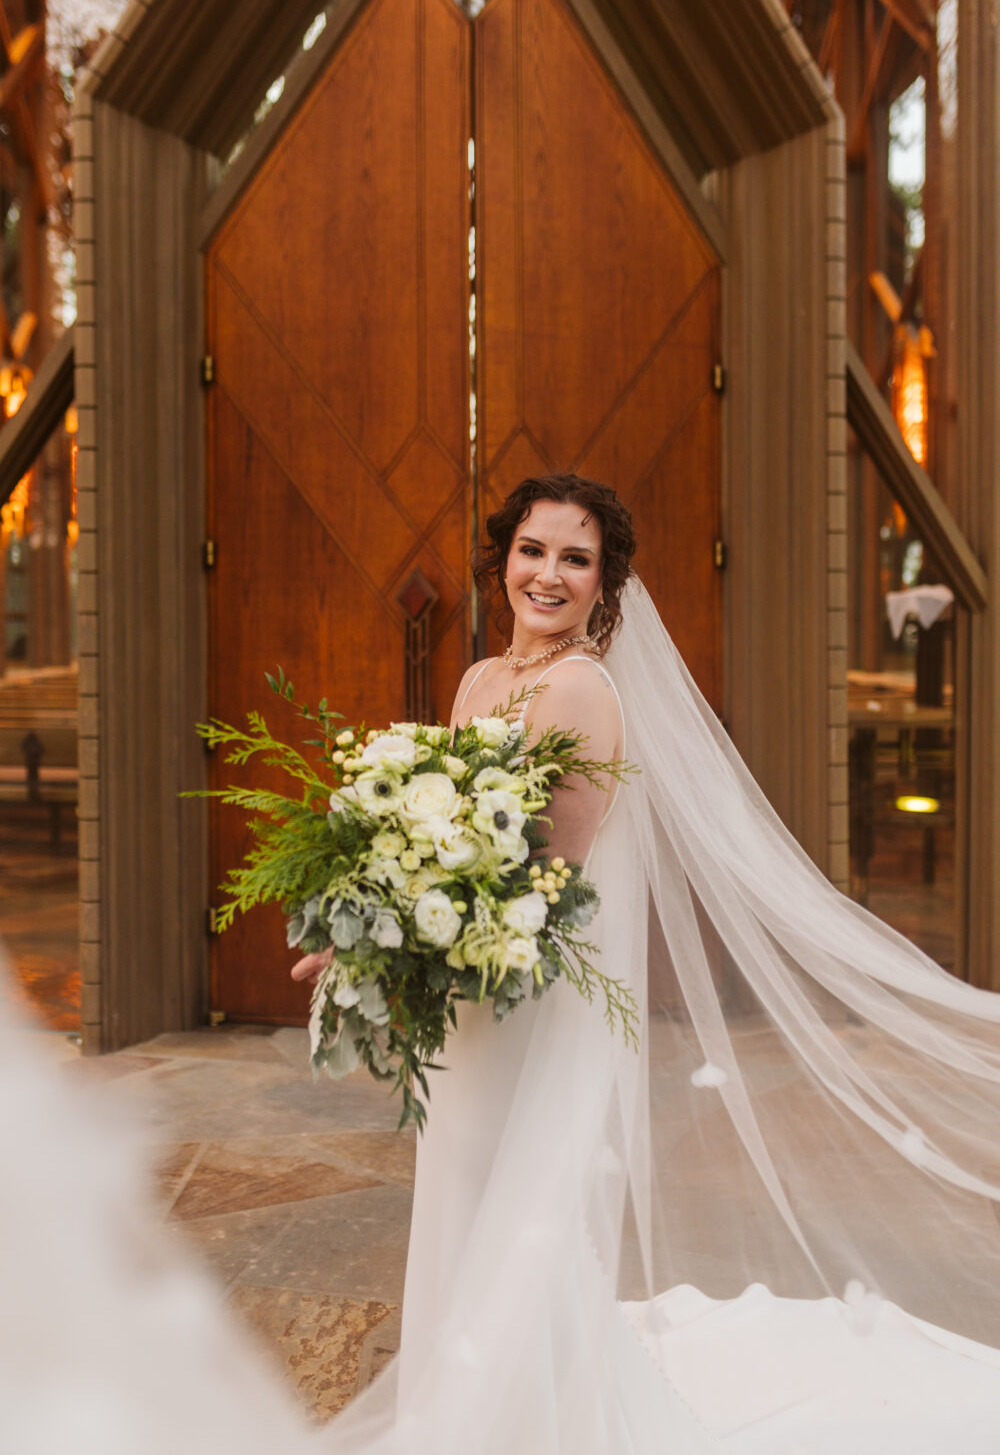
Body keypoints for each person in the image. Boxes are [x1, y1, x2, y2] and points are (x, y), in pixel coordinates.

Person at [289, 472, 1000, 1454]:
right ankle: (466, 1416)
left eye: (574, 559)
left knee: (521, 1212)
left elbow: (544, 880)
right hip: (473, 999)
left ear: (604, 585)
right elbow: (441, 842)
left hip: (532, 997)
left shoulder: (581, 691)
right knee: (464, 1192)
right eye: (533, 551)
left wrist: (401, 930)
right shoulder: (480, 681)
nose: (548, 574)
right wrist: (362, 919)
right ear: (503, 560)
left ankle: (540, 1426)